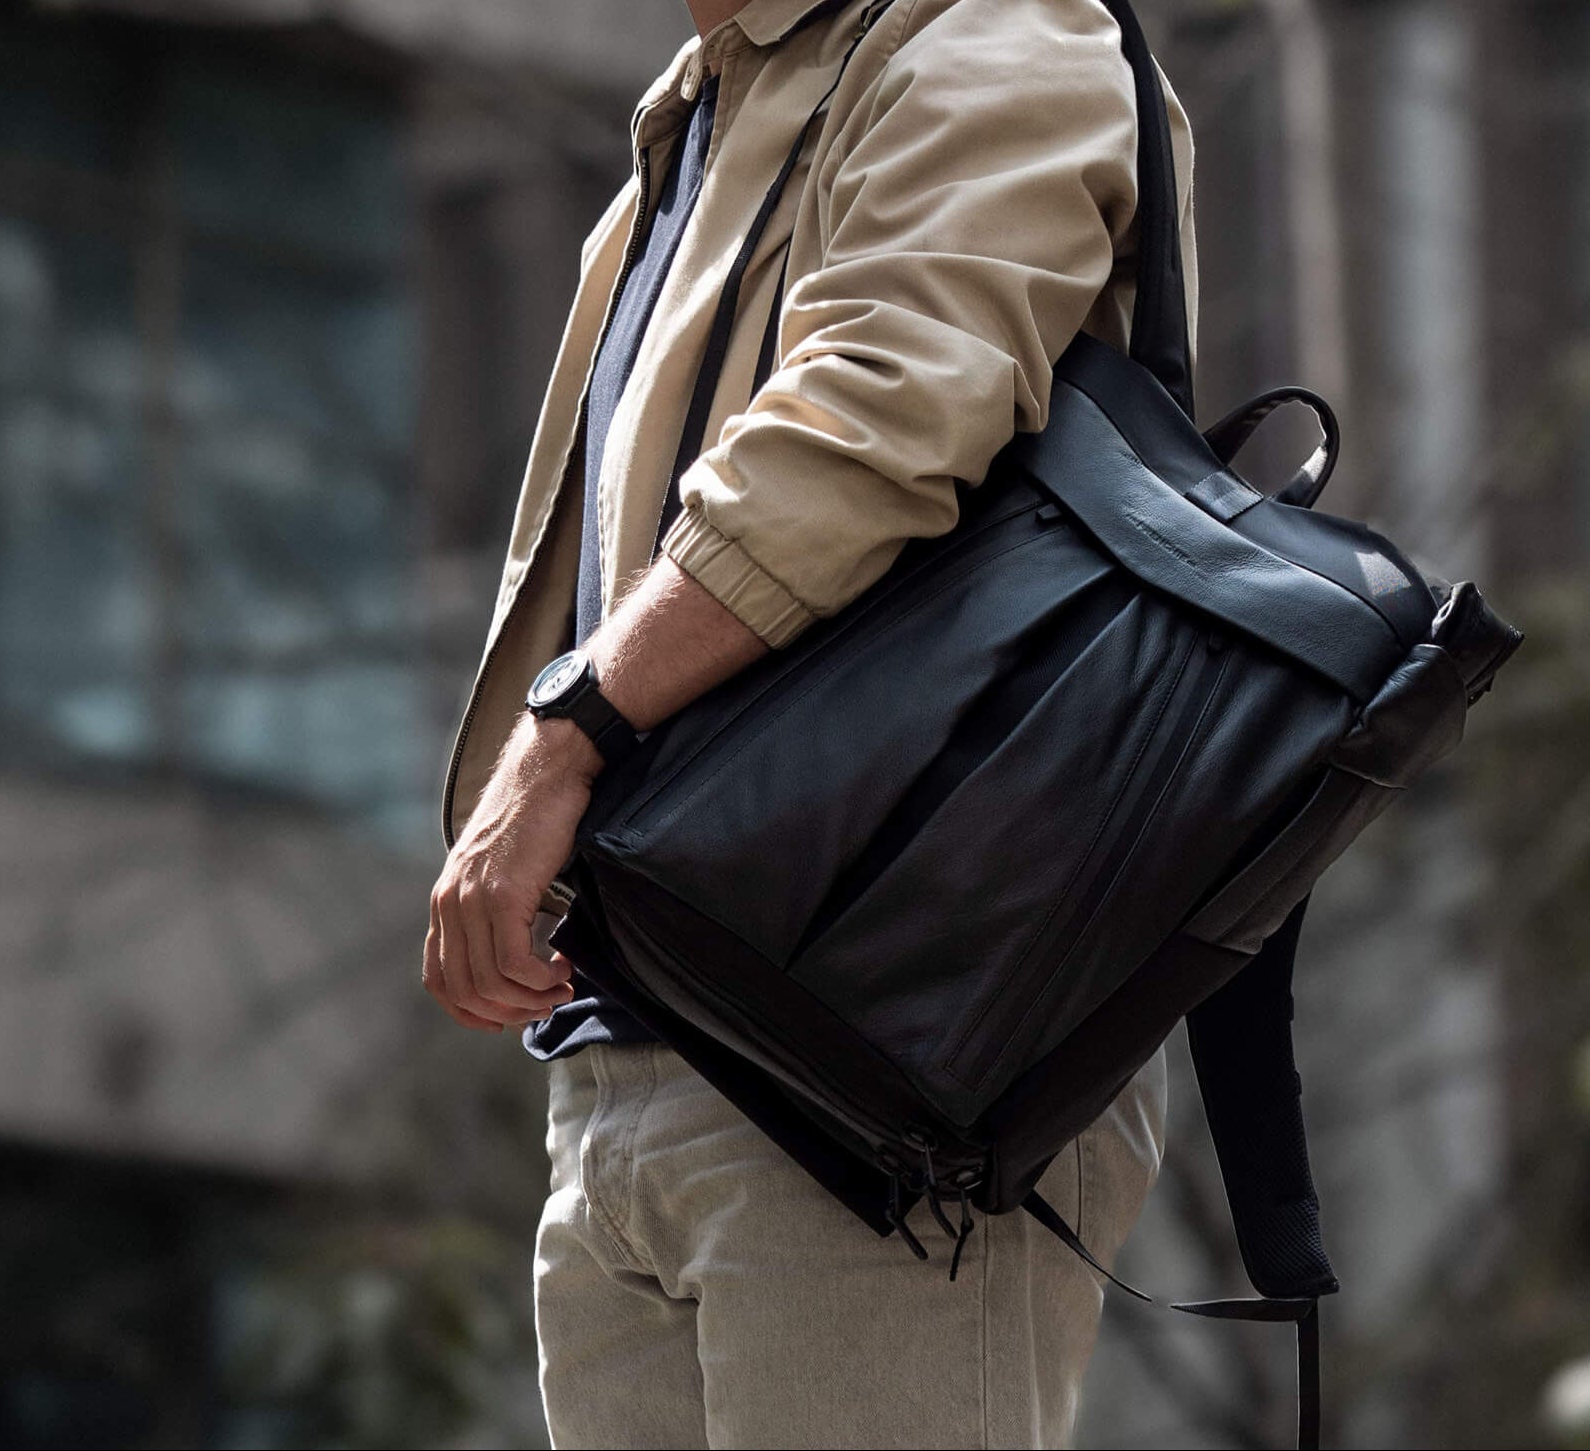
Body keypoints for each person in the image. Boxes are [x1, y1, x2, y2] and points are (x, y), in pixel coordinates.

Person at [424, 0, 1197, 1443]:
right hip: (645, 1039)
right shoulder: (707, 102)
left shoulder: (990, 29)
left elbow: (885, 416)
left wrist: (568, 730)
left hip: (874, 1044)